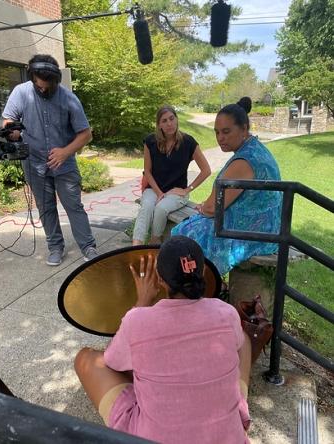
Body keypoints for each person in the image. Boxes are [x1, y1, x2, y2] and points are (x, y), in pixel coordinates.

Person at [74, 236, 252, 444]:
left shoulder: (138, 320)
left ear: (159, 279)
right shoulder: (226, 313)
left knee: (86, 358)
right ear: (203, 272)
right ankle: (241, 405)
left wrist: (142, 302)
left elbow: (112, 361)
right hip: (228, 438)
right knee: (244, 339)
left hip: (152, 438)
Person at [2, 54, 97, 266]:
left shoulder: (69, 98)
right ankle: (55, 247)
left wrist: (65, 151)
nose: (43, 90)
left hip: (65, 164)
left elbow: (85, 134)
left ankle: (88, 246)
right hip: (35, 164)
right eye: (39, 86)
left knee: (74, 206)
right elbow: (9, 121)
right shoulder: (21, 92)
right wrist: (12, 132)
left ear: (56, 81)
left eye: (47, 86)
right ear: (33, 78)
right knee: (45, 208)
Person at [172, 97, 282, 276]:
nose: (220, 138)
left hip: (254, 233)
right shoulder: (255, 149)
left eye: (226, 132)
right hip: (267, 227)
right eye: (216, 132)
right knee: (188, 229)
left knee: (183, 236)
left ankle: (199, 287)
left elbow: (211, 208)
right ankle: (205, 284)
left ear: (244, 128)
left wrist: (203, 208)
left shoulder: (245, 161)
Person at [132, 105, 211, 245]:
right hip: (154, 189)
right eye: (164, 121)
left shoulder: (188, 142)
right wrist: (159, 192)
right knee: (147, 207)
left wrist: (188, 189)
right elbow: (147, 172)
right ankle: (134, 247)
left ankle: (155, 240)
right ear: (159, 125)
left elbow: (206, 170)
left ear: (176, 119)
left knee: (161, 208)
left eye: (171, 118)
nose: (169, 123)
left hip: (177, 192)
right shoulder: (150, 141)